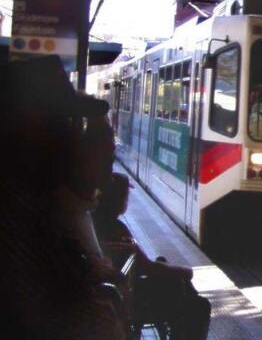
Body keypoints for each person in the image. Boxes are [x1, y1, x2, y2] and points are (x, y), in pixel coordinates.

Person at [0, 56, 127, 339]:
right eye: (64, 121)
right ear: (30, 127)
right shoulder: (19, 212)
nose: (73, 134)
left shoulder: (37, 202)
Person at [94, 172, 211, 340]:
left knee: (165, 265)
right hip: (132, 300)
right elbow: (147, 267)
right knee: (199, 304)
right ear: (118, 200)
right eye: (126, 197)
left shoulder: (93, 220)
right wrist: (186, 271)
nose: (127, 201)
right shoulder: (117, 230)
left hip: (119, 290)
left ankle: (187, 297)